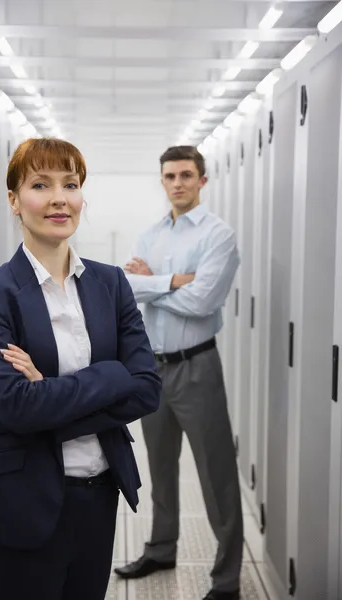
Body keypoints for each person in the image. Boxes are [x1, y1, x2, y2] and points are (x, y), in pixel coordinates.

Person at [0, 137, 161, 600]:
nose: (58, 198)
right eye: (40, 184)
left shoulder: (111, 284)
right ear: (14, 199)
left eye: (70, 184)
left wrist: (51, 391)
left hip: (98, 494)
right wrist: (111, 376)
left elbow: (147, 389)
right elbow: (19, 408)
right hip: (21, 500)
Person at [114, 145, 243, 600]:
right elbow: (128, 289)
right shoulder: (150, 234)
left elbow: (203, 302)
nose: (177, 183)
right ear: (162, 180)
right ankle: (161, 548)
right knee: (160, 468)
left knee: (216, 475)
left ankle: (226, 581)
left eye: (187, 175)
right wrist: (174, 280)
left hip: (197, 367)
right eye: (169, 176)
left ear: (202, 180)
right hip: (153, 369)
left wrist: (154, 285)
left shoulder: (218, 236)